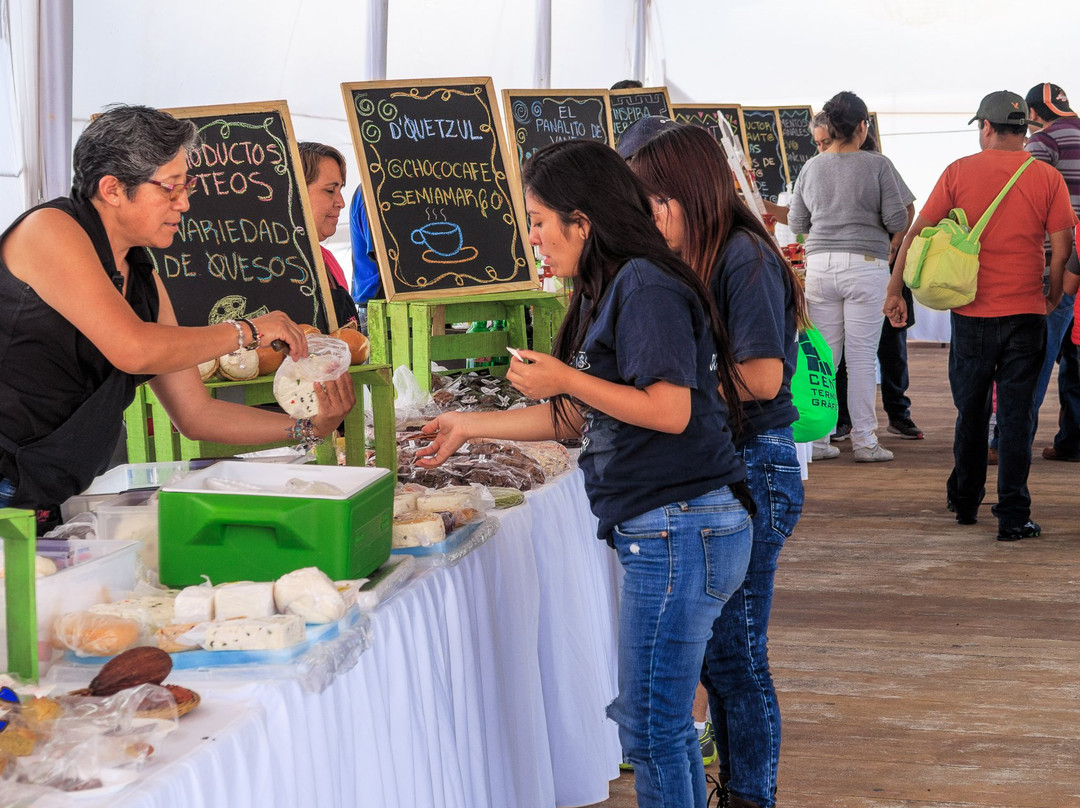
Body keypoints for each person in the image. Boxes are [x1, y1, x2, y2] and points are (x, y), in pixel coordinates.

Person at [416, 139, 754, 808]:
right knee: (660, 724)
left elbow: (669, 409)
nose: (532, 237)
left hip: (679, 527)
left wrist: (565, 376)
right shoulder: (613, 284)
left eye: (539, 220)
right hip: (672, 527)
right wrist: (467, 425)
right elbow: (571, 419)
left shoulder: (646, 284)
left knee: (653, 725)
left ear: (584, 219)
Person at [0, 105, 355, 530]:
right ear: (113, 189)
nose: (184, 203)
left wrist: (308, 428)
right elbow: (135, 350)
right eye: (169, 188)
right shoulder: (50, 230)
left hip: (46, 492)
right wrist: (248, 331)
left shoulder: (142, 275)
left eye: (185, 187)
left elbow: (196, 413)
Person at [626, 120, 807, 808]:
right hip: (719, 468)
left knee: (734, 655)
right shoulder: (695, 256)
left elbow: (761, 377)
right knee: (718, 652)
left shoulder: (744, 258)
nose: (648, 220)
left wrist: (665, 394)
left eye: (654, 204)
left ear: (689, 194)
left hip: (755, 467)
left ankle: (750, 795)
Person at [885, 90, 1077, 541]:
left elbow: (917, 233)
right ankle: (1013, 515)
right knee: (1017, 417)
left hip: (971, 315)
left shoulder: (958, 172)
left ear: (986, 127)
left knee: (970, 410)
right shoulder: (1045, 177)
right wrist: (1048, 296)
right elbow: (1063, 247)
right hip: (1026, 314)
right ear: (1024, 128)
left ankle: (966, 501)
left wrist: (894, 289)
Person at [788, 90, 909, 463]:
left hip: (820, 265)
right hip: (865, 265)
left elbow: (796, 223)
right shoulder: (877, 165)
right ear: (862, 126)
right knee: (860, 358)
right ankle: (865, 441)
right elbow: (898, 220)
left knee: (825, 357)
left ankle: (821, 441)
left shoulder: (812, 166)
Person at [832, 131, 923, 444]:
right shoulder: (828, 168)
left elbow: (908, 208)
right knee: (845, 352)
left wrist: (896, 244)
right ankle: (843, 420)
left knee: (892, 348)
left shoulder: (880, 165)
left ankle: (898, 415)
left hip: (885, 271)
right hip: (851, 271)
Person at [1023, 83, 1080, 462]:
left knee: (1034, 358)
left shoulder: (1043, 142)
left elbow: (1028, 201)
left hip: (1055, 264)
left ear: (1032, 114)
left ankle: (1008, 441)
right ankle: (1071, 440)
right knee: (1075, 356)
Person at [297, 142, 359, 330]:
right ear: (295, 190)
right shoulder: (261, 266)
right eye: (330, 190)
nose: (341, 202)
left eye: (340, 190)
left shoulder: (329, 262)